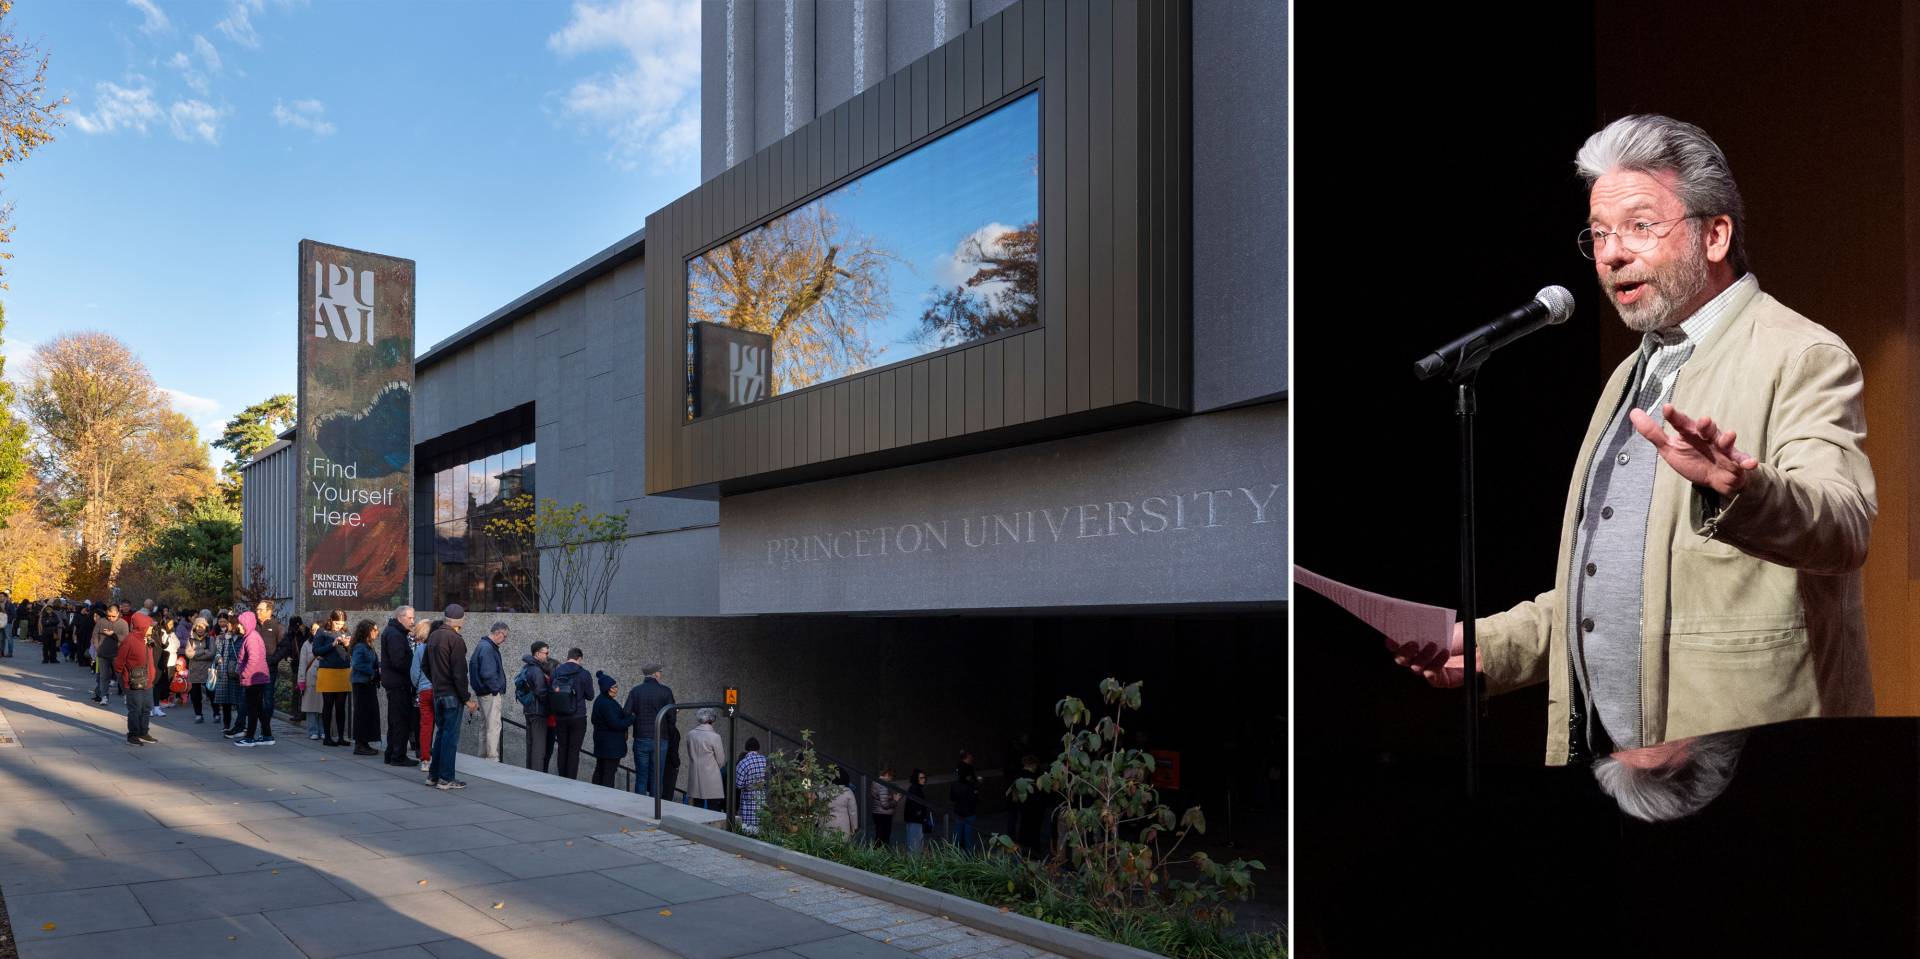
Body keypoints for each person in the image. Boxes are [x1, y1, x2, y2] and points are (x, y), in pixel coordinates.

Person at [1391, 114, 1877, 764]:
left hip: (1743, 768)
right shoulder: (1631, 373)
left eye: (1640, 227)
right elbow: (1613, 586)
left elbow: (1846, 527)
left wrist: (1745, 489)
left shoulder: (1801, 355)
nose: (1613, 253)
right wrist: (1487, 647)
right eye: (1598, 234)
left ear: (1715, 234)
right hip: (1609, 765)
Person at [424, 604, 477, 789]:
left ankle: (433, 775)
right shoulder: (455, 640)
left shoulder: (433, 636)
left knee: (440, 735)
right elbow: (459, 674)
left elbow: (425, 666)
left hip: (438, 693)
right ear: (460, 621)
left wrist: (437, 681)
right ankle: (446, 778)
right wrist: (467, 699)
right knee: (450, 738)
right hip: (452, 696)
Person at [624, 663, 676, 797]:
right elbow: (672, 716)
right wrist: (670, 736)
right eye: (660, 672)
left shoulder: (636, 691)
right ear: (656, 674)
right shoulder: (666, 691)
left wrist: (637, 718)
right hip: (661, 739)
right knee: (657, 777)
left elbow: (626, 712)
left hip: (641, 738)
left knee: (641, 776)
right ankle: (655, 809)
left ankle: (639, 807)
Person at [378, 606, 417, 767]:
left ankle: (391, 753)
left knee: (395, 719)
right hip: (398, 683)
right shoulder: (395, 634)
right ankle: (398, 755)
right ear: (401, 617)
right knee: (400, 720)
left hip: (395, 682)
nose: (413, 622)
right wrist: (413, 668)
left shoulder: (394, 632)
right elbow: (399, 661)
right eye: (410, 618)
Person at [467, 621, 509, 762]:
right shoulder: (487, 648)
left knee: (485, 725)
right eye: (505, 636)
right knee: (493, 725)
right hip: (489, 693)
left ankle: (483, 755)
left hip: (483, 692)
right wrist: (495, 689)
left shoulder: (483, 646)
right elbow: (488, 673)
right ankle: (492, 757)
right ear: (498, 633)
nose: (505, 640)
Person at [113, 611, 157, 745]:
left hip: (148, 680)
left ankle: (143, 732)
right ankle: (133, 735)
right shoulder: (130, 640)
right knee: (135, 709)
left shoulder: (147, 639)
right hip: (133, 681)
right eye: (150, 626)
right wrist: (122, 678)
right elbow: (119, 662)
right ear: (143, 626)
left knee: (147, 708)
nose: (152, 629)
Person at [549, 647, 593, 780]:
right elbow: (590, 696)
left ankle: (561, 778)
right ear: (579, 658)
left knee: (562, 748)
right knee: (574, 750)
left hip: (561, 716)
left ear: (568, 657)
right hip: (578, 716)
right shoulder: (584, 673)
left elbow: (552, 690)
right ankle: (571, 780)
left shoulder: (556, 671)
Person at [232, 610, 275, 746]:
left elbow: (254, 659)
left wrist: (244, 673)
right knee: (259, 707)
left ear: (247, 624)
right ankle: (267, 735)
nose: (238, 626)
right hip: (256, 677)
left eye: (241, 624)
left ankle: (250, 737)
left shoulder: (251, 638)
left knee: (253, 709)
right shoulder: (251, 636)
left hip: (253, 678)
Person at [515, 641, 556, 773]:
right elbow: (541, 692)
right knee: (539, 746)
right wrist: (550, 707)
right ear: (537, 653)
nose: (548, 656)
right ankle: (536, 776)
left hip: (529, 710)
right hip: (538, 712)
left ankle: (529, 773)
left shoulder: (526, 667)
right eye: (546, 653)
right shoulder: (537, 670)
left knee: (531, 744)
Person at [312, 611, 351, 747]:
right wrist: (333, 644)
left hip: (343, 671)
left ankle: (341, 737)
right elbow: (316, 651)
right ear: (331, 620)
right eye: (336, 623)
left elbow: (352, 651)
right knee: (328, 705)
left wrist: (347, 645)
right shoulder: (322, 632)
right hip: (327, 671)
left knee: (341, 706)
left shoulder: (346, 632)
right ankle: (327, 737)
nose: (339, 626)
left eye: (341, 623)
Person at [590, 671, 632, 788]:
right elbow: (617, 724)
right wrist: (632, 718)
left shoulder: (602, 701)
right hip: (610, 746)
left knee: (600, 771)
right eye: (614, 687)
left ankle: (594, 794)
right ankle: (606, 800)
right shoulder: (607, 703)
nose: (617, 689)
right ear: (608, 688)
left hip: (604, 744)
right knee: (608, 774)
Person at [348, 619, 382, 756]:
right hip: (361, 684)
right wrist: (373, 671)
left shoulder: (368, 645)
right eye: (374, 629)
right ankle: (360, 744)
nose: (376, 632)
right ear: (367, 631)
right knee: (362, 713)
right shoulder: (360, 646)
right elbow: (357, 664)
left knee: (368, 713)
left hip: (368, 683)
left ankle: (364, 742)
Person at [682, 708, 726, 810]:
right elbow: (720, 759)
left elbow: (690, 753)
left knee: (698, 807)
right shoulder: (715, 736)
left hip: (695, 775)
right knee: (714, 808)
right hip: (712, 775)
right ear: (712, 720)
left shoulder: (690, 734)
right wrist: (714, 767)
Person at [409, 620, 436, 771]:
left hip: (424, 691)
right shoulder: (441, 647)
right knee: (441, 726)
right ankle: (439, 757)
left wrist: (419, 685)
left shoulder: (420, 649)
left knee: (425, 725)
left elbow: (414, 673)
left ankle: (425, 760)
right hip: (440, 691)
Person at [90, 604, 127, 706]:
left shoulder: (123, 623)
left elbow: (126, 639)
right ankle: (104, 696)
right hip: (102, 654)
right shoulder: (101, 621)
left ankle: (126, 695)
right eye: (109, 616)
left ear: (118, 614)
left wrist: (113, 634)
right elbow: (95, 635)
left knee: (120, 676)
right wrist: (97, 648)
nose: (110, 618)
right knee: (104, 676)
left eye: (113, 616)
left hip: (117, 655)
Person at [214, 614, 244, 734]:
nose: (226, 625)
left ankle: (240, 725)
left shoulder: (241, 638)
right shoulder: (222, 638)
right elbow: (217, 653)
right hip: (224, 672)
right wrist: (219, 658)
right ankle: (226, 724)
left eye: (229, 623)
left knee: (238, 700)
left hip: (236, 672)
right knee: (226, 701)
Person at [183, 618, 213, 724]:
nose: (200, 629)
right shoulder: (190, 640)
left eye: (203, 627)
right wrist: (204, 651)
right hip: (195, 671)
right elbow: (188, 654)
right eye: (198, 626)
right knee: (196, 696)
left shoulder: (210, 639)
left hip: (207, 671)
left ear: (206, 628)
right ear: (195, 627)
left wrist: (196, 654)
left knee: (211, 693)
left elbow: (211, 653)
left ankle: (216, 712)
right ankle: (198, 714)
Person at [297, 620, 324, 740]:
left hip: (324, 678)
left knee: (323, 707)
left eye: (317, 630)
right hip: (310, 679)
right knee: (311, 706)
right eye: (313, 630)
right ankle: (312, 730)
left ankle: (323, 730)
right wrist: (301, 680)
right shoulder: (306, 644)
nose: (315, 632)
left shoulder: (327, 642)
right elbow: (302, 664)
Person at [735, 737, 767, 833]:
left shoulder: (743, 763)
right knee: (762, 826)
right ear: (758, 748)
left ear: (746, 748)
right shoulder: (766, 760)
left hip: (748, 799)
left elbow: (738, 784)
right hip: (764, 797)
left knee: (748, 828)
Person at [950, 750, 980, 851]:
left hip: (959, 807)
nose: (972, 758)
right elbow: (973, 788)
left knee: (958, 831)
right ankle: (968, 855)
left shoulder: (956, 771)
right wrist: (976, 786)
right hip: (968, 807)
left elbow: (953, 793)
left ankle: (954, 852)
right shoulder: (968, 770)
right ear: (967, 756)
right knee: (968, 833)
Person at [902, 768, 932, 853]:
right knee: (915, 844)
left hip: (914, 820)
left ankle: (914, 862)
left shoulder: (916, 788)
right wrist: (920, 814)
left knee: (915, 843)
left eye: (924, 777)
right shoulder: (915, 789)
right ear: (916, 779)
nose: (924, 779)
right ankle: (914, 863)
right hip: (915, 820)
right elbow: (914, 805)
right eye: (921, 778)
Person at [821, 769, 858, 838]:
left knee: (825, 845)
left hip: (825, 822)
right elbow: (853, 812)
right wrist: (854, 827)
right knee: (841, 846)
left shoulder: (823, 790)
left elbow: (818, 807)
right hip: (842, 825)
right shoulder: (848, 791)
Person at [868, 766, 898, 847]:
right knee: (884, 838)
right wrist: (895, 800)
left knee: (878, 836)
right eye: (891, 777)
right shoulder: (883, 784)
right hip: (884, 814)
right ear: (887, 774)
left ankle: (876, 855)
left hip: (877, 812)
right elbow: (885, 804)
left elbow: (878, 796)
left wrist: (889, 797)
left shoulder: (875, 781)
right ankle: (882, 856)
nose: (891, 779)